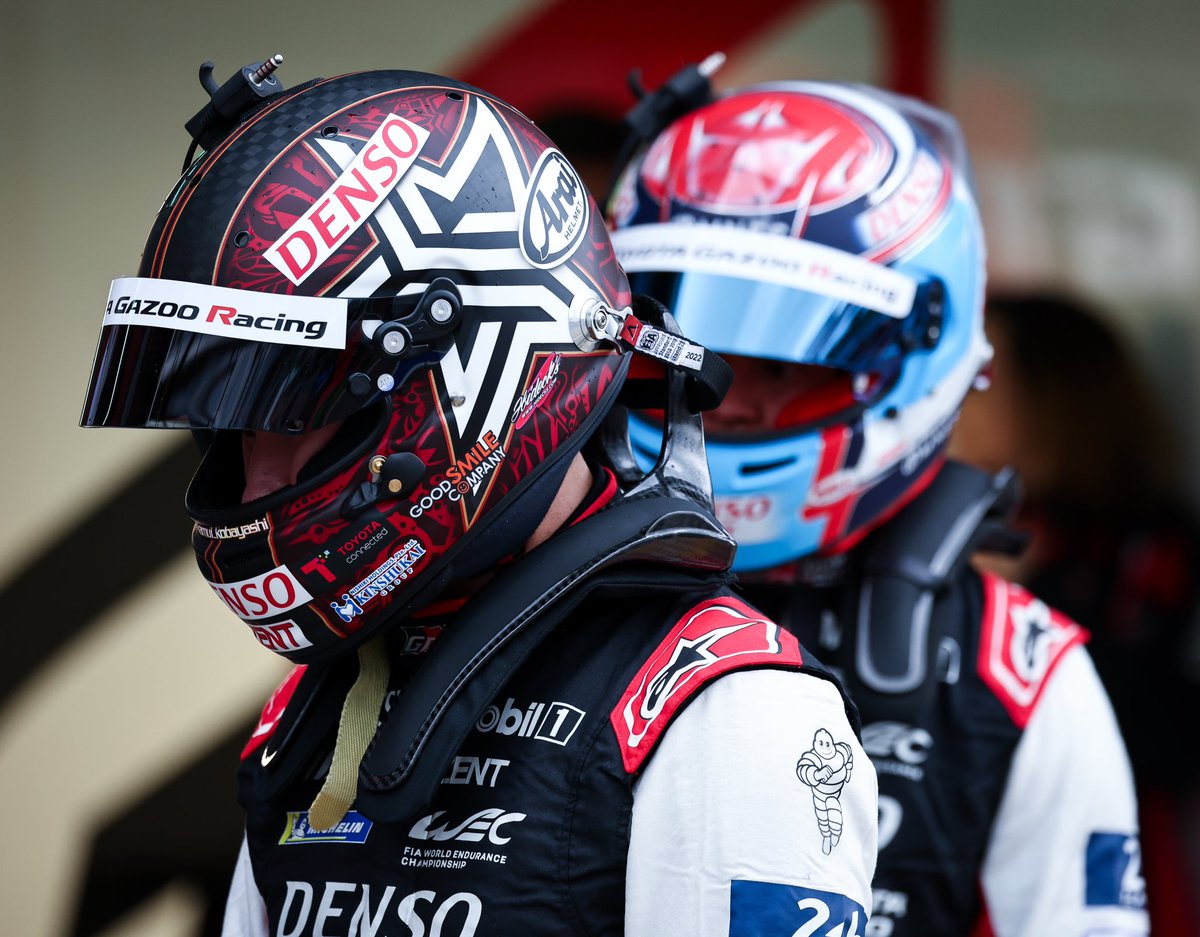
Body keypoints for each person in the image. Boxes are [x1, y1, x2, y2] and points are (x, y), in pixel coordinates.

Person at [78, 57, 878, 936]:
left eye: (293, 406)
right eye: (231, 427)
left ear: (470, 375)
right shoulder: (317, 702)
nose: (258, 478)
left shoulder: (728, 715)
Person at [608, 76, 1150, 936]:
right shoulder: (495, 608)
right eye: (690, 352)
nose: (723, 399)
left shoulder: (1019, 676)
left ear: (919, 359)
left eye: (787, 364)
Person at [952, 291, 1200, 936]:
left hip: (1106, 864)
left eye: (983, 374)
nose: (953, 387)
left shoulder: (1146, 545)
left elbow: (1166, 729)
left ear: (1053, 396)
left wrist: (1024, 604)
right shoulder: (914, 528)